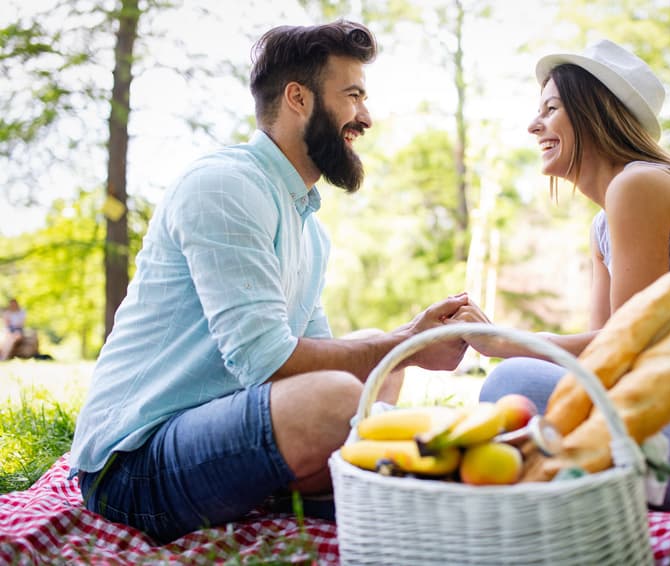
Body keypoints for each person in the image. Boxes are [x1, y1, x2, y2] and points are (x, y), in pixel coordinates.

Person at [69, 20, 470, 543]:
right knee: (340, 398)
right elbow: (268, 362)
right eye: (352, 96)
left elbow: (320, 354)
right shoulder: (224, 186)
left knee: (377, 379)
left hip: (217, 432)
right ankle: (362, 481)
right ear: (298, 99)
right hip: (133, 466)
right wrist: (405, 344)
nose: (365, 117)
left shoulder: (308, 228)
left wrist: (409, 342)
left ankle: (358, 481)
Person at [449, 39, 670, 511]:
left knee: (509, 382)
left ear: (593, 113)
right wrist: (501, 340)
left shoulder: (640, 184)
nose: (533, 125)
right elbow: (605, 355)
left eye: (550, 108)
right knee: (521, 393)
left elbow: (633, 347)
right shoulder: (605, 222)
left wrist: (507, 342)